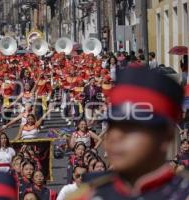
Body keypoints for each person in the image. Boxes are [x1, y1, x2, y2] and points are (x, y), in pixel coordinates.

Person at [68, 68, 189, 199]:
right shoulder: (87, 195)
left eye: (130, 128)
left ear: (166, 135)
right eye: (112, 126)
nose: (115, 137)